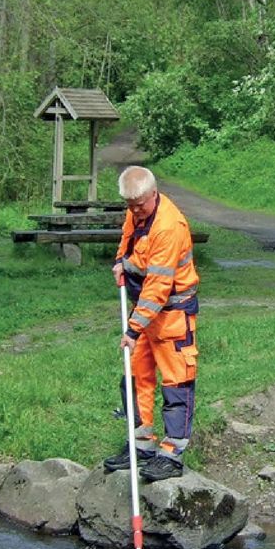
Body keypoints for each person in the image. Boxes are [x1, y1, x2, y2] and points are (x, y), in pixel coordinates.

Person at [103, 165, 199, 481]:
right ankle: (141, 446)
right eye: (129, 205)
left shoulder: (168, 227)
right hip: (143, 309)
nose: (134, 211)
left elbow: (158, 286)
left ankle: (171, 454)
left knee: (176, 382)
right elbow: (127, 242)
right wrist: (121, 262)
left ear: (153, 194)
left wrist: (133, 329)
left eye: (139, 205)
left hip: (172, 313)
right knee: (136, 376)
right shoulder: (136, 212)